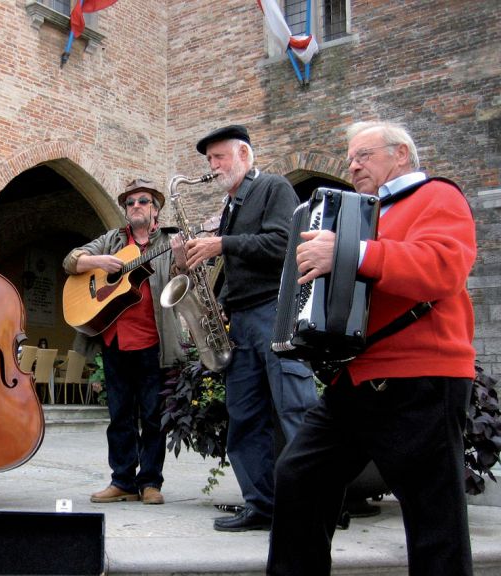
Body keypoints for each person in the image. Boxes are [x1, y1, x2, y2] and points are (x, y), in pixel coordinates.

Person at [267, 121, 476, 575]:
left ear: (400, 154)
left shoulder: (436, 195)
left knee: (432, 513)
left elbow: (444, 268)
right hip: (357, 375)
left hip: (421, 375)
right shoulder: (360, 213)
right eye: (350, 159)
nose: (353, 166)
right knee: (299, 475)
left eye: (364, 155)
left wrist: (350, 253)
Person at [182, 125, 318, 531]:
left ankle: (313, 509)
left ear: (244, 154)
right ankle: (262, 505)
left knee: (295, 409)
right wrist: (219, 304)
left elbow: (284, 244)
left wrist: (222, 244)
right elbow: (239, 266)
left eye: (219, 156)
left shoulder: (273, 187)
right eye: (209, 159)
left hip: (274, 313)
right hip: (241, 319)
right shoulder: (232, 205)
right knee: (244, 415)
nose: (212, 165)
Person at [63, 179, 185, 505]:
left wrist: (182, 259)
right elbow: (71, 260)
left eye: (143, 201)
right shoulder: (112, 240)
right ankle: (122, 481)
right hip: (115, 340)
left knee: (153, 416)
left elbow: (182, 279)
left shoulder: (169, 240)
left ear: (156, 209)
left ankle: (150, 482)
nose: (136, 207)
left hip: (154, 342)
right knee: (119, 416)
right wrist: (100, 262)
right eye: (130, 203)